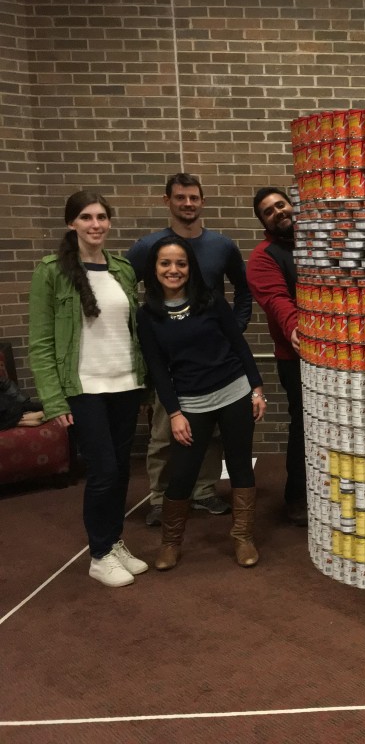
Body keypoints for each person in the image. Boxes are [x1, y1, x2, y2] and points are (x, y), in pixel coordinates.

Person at [28, 191, 148, 587]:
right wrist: (53, 398)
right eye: (86, 217)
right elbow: (41, 341)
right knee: (103, 472)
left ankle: (114, 542)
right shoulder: (51, 271)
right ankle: (99, 554)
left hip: (126, 383)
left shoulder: (123, 269)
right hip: (85, 388)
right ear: (71, 224)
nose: (95, 224)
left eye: (101, 217)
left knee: (121, 472)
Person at [127, 173, 252, 526]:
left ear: (202, 202)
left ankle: (204, 491)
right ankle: (159, 496)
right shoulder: (147, 247)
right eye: (180, 197)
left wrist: (233, 331)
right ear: (167, 200)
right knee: (166, 432)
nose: (187, 203)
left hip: (215, 362)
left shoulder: (221, 246)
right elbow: (123, 289)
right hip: (172, 361)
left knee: (210, 435)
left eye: (194, 197)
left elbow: (243, 292)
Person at [136, 236, 266, 570]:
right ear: (154, 268)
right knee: (182, 474)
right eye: (165, 263)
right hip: (190, 403)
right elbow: (159, 371)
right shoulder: (148, 316)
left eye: (181, 263)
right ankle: (170, 543)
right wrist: (175, 413)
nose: (173, 270)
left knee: (239, 466)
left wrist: (256, 388)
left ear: (190, 267)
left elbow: (238, 345)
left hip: (234, 391)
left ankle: (242, 537)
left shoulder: (210, 301)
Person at [247, 187, 307, 526]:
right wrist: (296, 329)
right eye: (268, 211)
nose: (278, 212)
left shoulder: (317, 240)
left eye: (280, 205)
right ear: (264, 221)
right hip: (296, 355)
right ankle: (297, 497)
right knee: (303, 426)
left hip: (344, 353)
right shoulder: (263, 257)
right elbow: (276, 301)